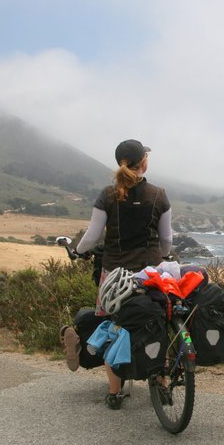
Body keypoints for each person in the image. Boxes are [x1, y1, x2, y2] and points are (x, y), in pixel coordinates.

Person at [59, 138, 173, 410]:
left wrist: (78, 250)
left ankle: (114, 392)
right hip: (150, 274)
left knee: (112, 324)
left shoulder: (108, 195)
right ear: (143, 162)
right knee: (159, 322)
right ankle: (162, 383)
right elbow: (166, 239)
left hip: (113, 274)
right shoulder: (159, 194)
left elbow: (92, 236)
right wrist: (164, 256)